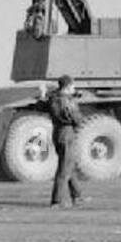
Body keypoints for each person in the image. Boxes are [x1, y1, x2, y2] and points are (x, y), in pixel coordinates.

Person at [47, 74, 89, 208]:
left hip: (58, 133)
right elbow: (75, 118)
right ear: (68, 86)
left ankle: (78, 196)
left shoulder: (54, 98)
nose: (74, 89)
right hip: (67, 134)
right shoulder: (66, 101)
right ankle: (56, 201)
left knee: (69, 166)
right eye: (73, 86)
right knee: (64, 170)